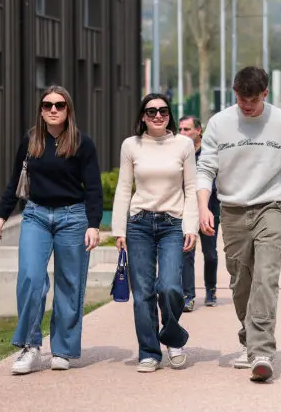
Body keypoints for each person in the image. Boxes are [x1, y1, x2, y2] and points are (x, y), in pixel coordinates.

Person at [196, 66, 281, 382]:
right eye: (242, 99)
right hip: (232, 210)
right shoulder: (219, 123)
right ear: (234, 93)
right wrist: (203, 207)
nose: (247, 106)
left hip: (272, 206)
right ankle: (250, 337)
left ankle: (263, 352)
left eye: (253, 100)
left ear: (265, 94)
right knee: (240, 280)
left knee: (265, 278)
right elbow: (205, 169)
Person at [0, 85, 103, 375]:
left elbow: (92, 188)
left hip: (73, 217)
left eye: (59, 105)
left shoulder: (82, 143)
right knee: (30, 277)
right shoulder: (31, 140)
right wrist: (2, 216)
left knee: (70, 283)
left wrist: (93, 225)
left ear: (68, 110)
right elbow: (14, 180)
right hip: (36, 215)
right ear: (41, 110)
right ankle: (30, 347)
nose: (53, 109)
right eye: (47, 105)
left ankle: (63, 349)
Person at [111, 94, 198, 373]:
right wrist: (118, 229)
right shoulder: (131, 145)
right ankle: (149, 351)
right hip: (139, 224)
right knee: (143, 293)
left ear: (170, 114)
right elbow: (124, 188)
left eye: (163, 111)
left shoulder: (183, 144)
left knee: (170, 286)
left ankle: (173, 340)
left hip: (173, 223)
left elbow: (192, 189)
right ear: (142, 116)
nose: (158, 115)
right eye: (151, 111)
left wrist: (191, 227)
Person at [178, 115, 221, 311]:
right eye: (180, 130)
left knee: (210, 254)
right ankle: (188, 295)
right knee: (187, 251)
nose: (182, 134)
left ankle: (211, 288)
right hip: (186, 209)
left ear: (198, 131)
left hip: (210, 208)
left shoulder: (209, 153)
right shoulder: (179, 153)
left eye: (186, 129)